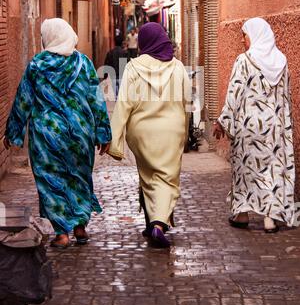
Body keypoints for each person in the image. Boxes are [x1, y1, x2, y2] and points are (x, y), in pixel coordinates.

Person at [4, 18, 112, 248]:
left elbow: (23, 100)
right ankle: (80, 226)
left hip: (46, 136)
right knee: (79, 178)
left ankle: (62, 233)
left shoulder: (37, 65)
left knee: (50, 181)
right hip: (79, 134)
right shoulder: (83, 63)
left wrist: (13, 132)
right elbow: (96, 100)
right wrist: (103, 133)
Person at [108, 22, 191, 248]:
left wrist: (114, 139)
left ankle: (150, 222)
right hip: (171, 132)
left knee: (148, 176)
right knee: (167, 178)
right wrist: (186, 132)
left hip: (142, 134)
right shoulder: (178, 67)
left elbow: (124, 104)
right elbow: (187, 103)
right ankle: (158, 224)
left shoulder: (134, 67)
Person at [214, 17, 296, 233]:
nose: (243, 40)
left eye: (245, 35)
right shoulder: (281, 61)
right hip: (274, 129)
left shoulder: (244, 60)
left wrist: (222, 121)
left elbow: (234, 93)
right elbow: (286, 98)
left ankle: (242, 214)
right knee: (272, 171)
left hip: (249, 128)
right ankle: (270, 218)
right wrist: (286, 128)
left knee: (246, 171)